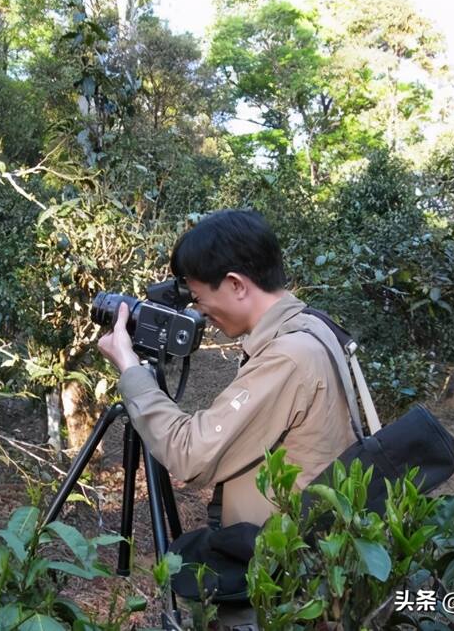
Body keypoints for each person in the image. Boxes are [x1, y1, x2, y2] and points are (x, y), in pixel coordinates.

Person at [97, 209, 356, 630]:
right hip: (304, 562)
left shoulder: (288, 357)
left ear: (235, 284)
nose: (199, 313)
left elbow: (190, 456)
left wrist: (130, 369)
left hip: (285, 587)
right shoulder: (313, 327)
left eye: (198, 298)